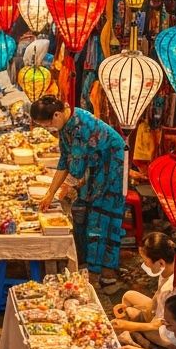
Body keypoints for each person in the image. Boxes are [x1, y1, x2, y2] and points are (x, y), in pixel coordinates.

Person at [31, 95, 127, 288]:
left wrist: (62, 190)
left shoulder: (81, 127)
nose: (47, 129)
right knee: (83, 210)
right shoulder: (66, 123)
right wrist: (50, 193)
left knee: (101, 215)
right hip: (94, 166)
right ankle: (88, 263)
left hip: (111, 164)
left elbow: (75, 168)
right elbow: (64, 159)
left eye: (46, 124)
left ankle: (100, 272)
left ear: (57, 115)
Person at [113, 232, 176, 348]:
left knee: (136, 325)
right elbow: (156, 303)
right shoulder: (174, 265)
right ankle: (129, 328)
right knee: (129, 296)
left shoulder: (172, 287)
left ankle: (137, 340)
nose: (144, 264)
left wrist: (128, 325)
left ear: (161, 262)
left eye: (146, 261)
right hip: (165, 314)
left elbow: (161, 324)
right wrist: (132, 313)